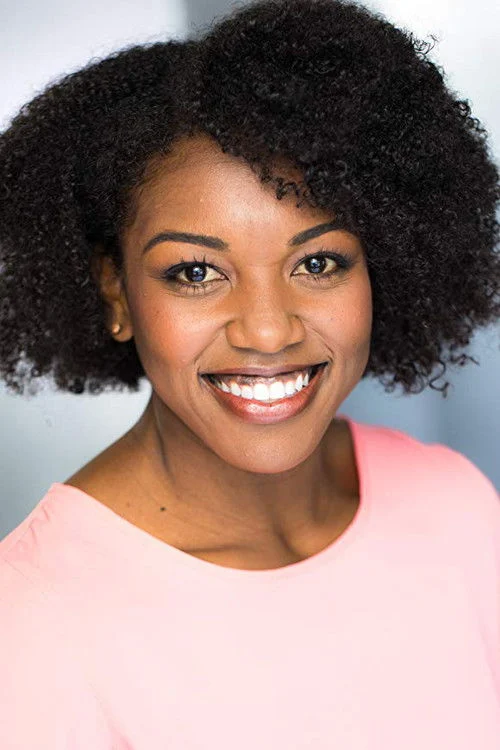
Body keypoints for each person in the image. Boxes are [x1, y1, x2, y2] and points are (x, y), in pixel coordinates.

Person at [0, 0, 499, 746]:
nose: (268, 330)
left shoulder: (456, 503)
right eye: (196, 272)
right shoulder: (31, 622)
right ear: (116, 294)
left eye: (318, 262)